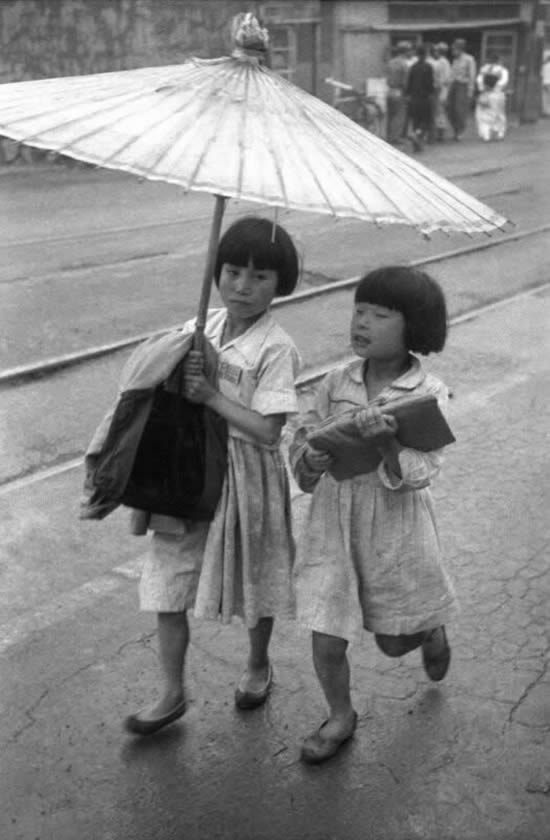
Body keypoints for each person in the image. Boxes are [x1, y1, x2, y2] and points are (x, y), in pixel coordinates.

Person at [118, 215, 302, 734]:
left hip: (247, 476)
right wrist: (176, 361)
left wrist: (212, 395)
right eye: (233, 272)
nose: (243, 286)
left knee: (255, 580)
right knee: (167, 581)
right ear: (215, 273)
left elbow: (269, 431)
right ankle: (172, 692)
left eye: (260, 277)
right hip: (189, 472)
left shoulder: (276, 348)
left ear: (278, 285)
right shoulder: (202, 326)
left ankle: (257, 663)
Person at [289, 266, 457, 764]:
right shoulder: (335, 381)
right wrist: (311, 458)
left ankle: (428, 630)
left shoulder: (429, 392)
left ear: (414, 328)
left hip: (394, 526)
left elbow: (424, 470)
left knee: (391, 639)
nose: (362, 321)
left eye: (379, 314)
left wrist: (387, 444)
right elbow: (304, 438)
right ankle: (341, 715)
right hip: (333, 524)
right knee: (326, 632)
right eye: (359, 310)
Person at [405, 44, 435, 151]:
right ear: (426, 55)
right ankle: (416, 135)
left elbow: (409, 83)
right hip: (424, 98)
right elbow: (430, 83)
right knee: (426, 121)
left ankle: (416, 145)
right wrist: (431, 93)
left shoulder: (413, 67)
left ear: (417, 54)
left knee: (416, 121)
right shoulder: (428, 67)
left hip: (414, 98)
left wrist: (408, 95)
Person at [475, 52, 509, 141]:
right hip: (498, 93)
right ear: (499, 60)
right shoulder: (502, 70)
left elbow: (479, 80)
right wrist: (495, 86)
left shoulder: (484, 69)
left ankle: (486, 135)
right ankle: (500, 133)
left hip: (486, 93)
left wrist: (483, 87)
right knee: (499, 114)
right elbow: (504, 81)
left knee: (483, 114)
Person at [447, 38, 477, 140]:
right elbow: (451, 74)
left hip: (463, 86)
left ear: (460, 49)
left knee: (459, 110)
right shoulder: (455, 60)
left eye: (454, 49)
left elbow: (472, 76)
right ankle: (455, 130)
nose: (453, 51)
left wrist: (470, 90)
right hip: (453, 85)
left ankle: (460, 131)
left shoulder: (469, 59)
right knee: (450, 109)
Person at [385, 41, 410, 145]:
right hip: (399, 91)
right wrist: (407, 93)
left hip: (390, 90)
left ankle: (389, 136)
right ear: (406, 51)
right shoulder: (404, 64)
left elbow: (387, 78)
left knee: (390, 115)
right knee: (399, 115)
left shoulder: (391, 62)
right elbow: (405, 81)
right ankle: (395, 137)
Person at [430, 42, 452, 141]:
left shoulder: (441, 62)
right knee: (440, 112)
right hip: (442, 89)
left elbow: (445, 79)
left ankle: (440, 134)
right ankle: (439, 133)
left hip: (441, 90)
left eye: (436, 51)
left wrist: (439, 85)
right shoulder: (444, 62)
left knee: (440, 112)